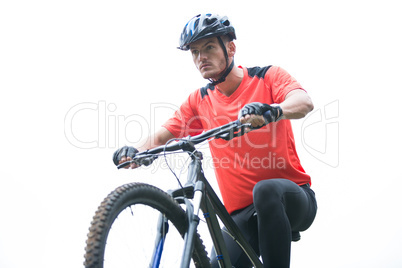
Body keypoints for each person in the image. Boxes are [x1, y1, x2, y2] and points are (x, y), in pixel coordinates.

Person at [113, 13, 317, 268]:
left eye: (208, 47)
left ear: (230, 48)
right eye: (195, 52)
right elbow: (161, 136)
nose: (201, 58)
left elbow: (303, 102)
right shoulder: (199, 101)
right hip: (241, 216)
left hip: (293, 199)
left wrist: (272, 111)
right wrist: (137, 150)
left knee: (265, 190)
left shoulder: (268, 77)